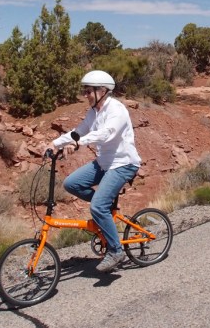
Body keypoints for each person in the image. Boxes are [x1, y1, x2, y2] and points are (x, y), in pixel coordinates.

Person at [47, 70, 141, 272]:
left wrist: (79, 144)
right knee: (71, 184)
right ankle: (104, 206)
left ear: (102, 91)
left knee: (97, 206)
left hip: (123, 164)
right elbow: (78, 131)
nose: (85, 95)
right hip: (104, 163)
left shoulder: (117, 110)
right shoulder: (94, 112)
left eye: (88, 91)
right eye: (85, 91)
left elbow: (106, 134)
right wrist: (54, 143)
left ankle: (116, 251)